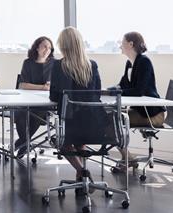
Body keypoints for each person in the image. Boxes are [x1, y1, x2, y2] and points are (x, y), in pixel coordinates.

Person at [49, 26, 102, 181]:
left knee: (61, 143)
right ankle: (82, 176)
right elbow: (97, 93)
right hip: (92, 121)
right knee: (80, 141)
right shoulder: (92, 65)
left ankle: (82, 171)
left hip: (69, 121)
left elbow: (54, 95)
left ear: (63, 45)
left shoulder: (59, 65)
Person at [112, 31, 166, 172]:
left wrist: (116, 92)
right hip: (141, 111)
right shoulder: (129, 63)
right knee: (111, 117)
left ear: (131, 44)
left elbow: (139, 91)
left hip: (152, 114)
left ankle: (128, 159)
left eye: (122, 43)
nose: (120, 46)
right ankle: (128, 158)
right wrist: (107, 90)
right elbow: (122, 85)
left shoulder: (144, 62)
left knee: (113, 121)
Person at [14, 36, 56, 158]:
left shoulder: (54, 63)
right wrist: (42, 87)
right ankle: (25, 144)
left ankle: (22, 143)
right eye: (44, 47)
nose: (47, 50)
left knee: (38, 113)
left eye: (49, 48)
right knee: (20, 114)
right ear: (37, 48)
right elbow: (22, 85)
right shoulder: (28, 63)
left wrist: (49, 86)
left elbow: (55, 84)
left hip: (44, 102)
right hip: (26, 100)